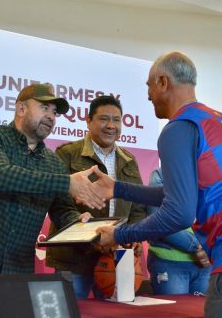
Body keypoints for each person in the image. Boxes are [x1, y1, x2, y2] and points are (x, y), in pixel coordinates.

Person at [81, 52, 222, 317]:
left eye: (148, 85)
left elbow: (179, 212)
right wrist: (118, 188)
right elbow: (187, 192)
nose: (148, 95)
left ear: (163, 81)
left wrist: (119, 235)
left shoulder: (179, 128)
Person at [0, 83, 102, 274]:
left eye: (54, 112)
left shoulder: (53, 162)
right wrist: (67, 182)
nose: (51, 117)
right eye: (44, 108)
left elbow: (61, 209)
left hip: (17, 269)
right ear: (21, 108)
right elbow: (0, 176)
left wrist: (80, 222)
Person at [46, 95, 146, 298]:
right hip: (73, 260)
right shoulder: (67, 154)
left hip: (117, 258)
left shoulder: (129, 160)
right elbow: (59, 205)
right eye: (104, 119)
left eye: (116, 120)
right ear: (89, 121)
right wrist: (95, 239)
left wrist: (134, 235)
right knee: (73, 312)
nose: (111, 126)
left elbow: (138, 208)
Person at [147, 168, 211, 295]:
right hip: (170, 263)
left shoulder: (214, 176)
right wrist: (198, 246)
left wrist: (210, 248)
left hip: (205, 265)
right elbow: (159, 222)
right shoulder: (161, 175)